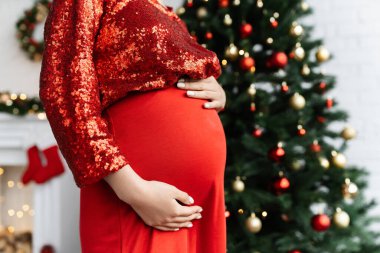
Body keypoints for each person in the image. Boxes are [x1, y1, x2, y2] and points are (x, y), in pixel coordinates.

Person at [39, 0, 227, 252]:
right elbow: (65, 91)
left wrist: (213, 89)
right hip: (136, 197)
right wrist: (134, 191)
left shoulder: (158, 7)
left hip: (195, 207)